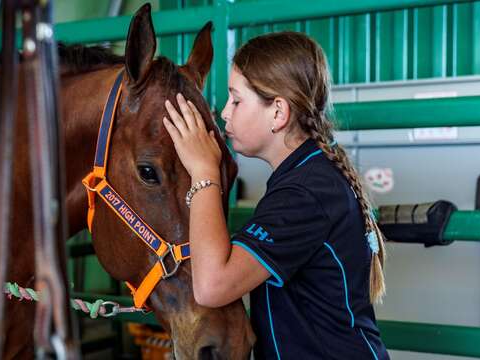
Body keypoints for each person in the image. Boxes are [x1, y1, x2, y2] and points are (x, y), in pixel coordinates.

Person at [162, 31, 390, 359]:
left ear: (278, 113)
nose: (225, 113)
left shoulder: (304, 192)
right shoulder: (306, 175)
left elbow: (213, 286)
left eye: (236, 100)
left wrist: (204, 172)